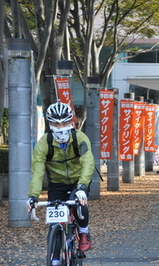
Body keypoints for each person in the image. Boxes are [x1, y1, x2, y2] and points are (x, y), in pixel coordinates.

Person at [27, 102, 95, 262]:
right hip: (56, 184)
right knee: (54, 224)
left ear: (71, 122)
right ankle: (55, 260)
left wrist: (82, 186)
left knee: (80, 205)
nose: (60, 127)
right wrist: (33, 196)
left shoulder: (81, 138)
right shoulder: (44, 143)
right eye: (56, 123)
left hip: (78, 182)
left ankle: (84, 232)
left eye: (64, 123)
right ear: (49, 123)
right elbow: (37, 172)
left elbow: (88, 163)